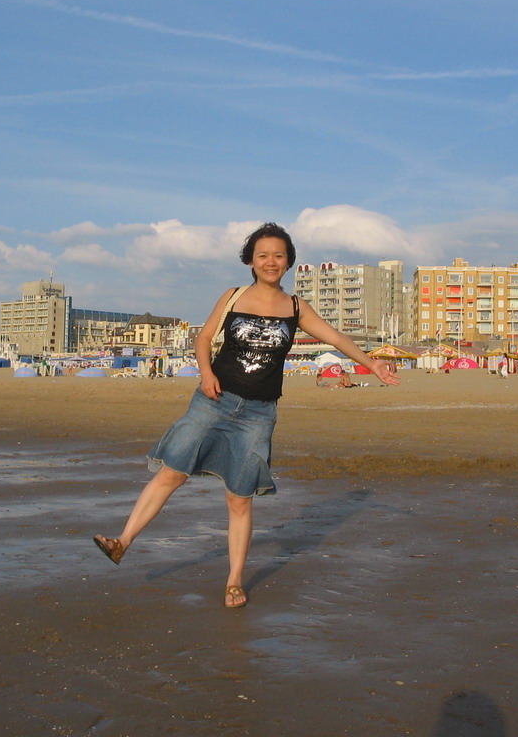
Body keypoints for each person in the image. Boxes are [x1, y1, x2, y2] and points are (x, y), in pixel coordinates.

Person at [93, 223, 401, 608]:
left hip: (258, 413)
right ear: (251, 261)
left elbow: (335, 338)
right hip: (214, 401)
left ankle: (234, 581)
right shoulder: (233, 296)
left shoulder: (294, 308)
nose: (271, 262)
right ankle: (122, 542)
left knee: (239, 499)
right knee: (172, 473)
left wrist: (373, 366)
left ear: (288, 261)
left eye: (278, 255)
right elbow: (203, 338)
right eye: (263, 255)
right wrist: (206, 374)